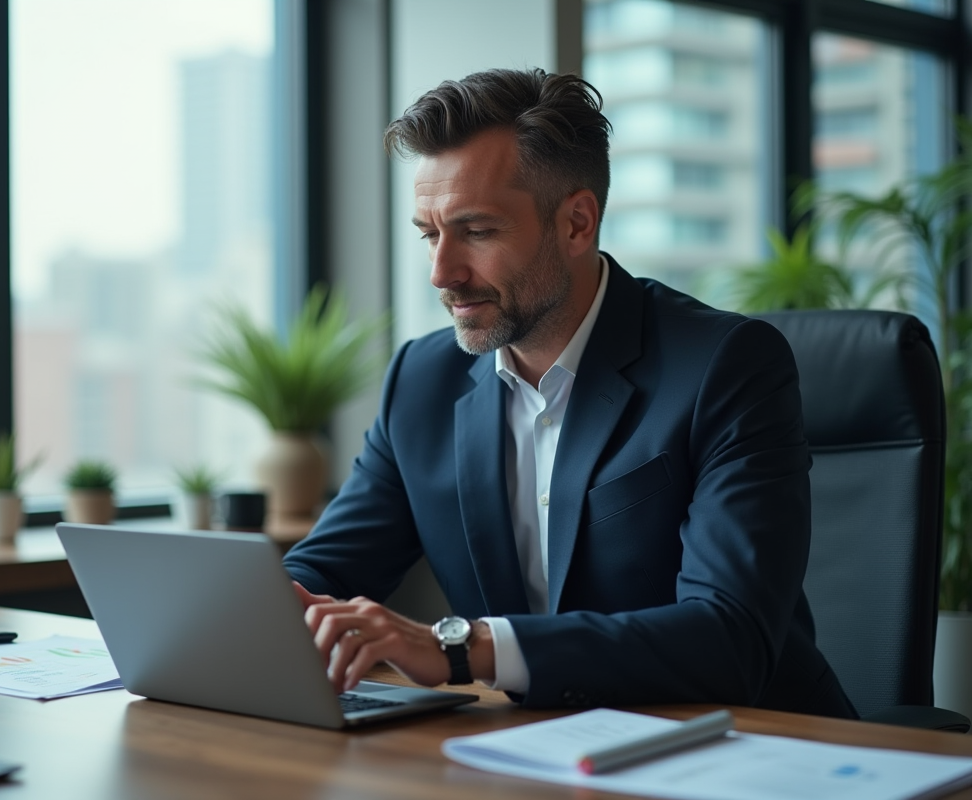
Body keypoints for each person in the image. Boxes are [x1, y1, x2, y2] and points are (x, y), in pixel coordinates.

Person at [282, 67, 856, 718]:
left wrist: (462, 648)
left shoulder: (726, 367)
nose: (442, 272)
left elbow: (729, 637)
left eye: (476, 231)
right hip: (529, 750)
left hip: (751, 748)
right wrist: (235, 618)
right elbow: (321, 575)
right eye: (429, 234)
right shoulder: (421, 380)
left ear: (578, 223)